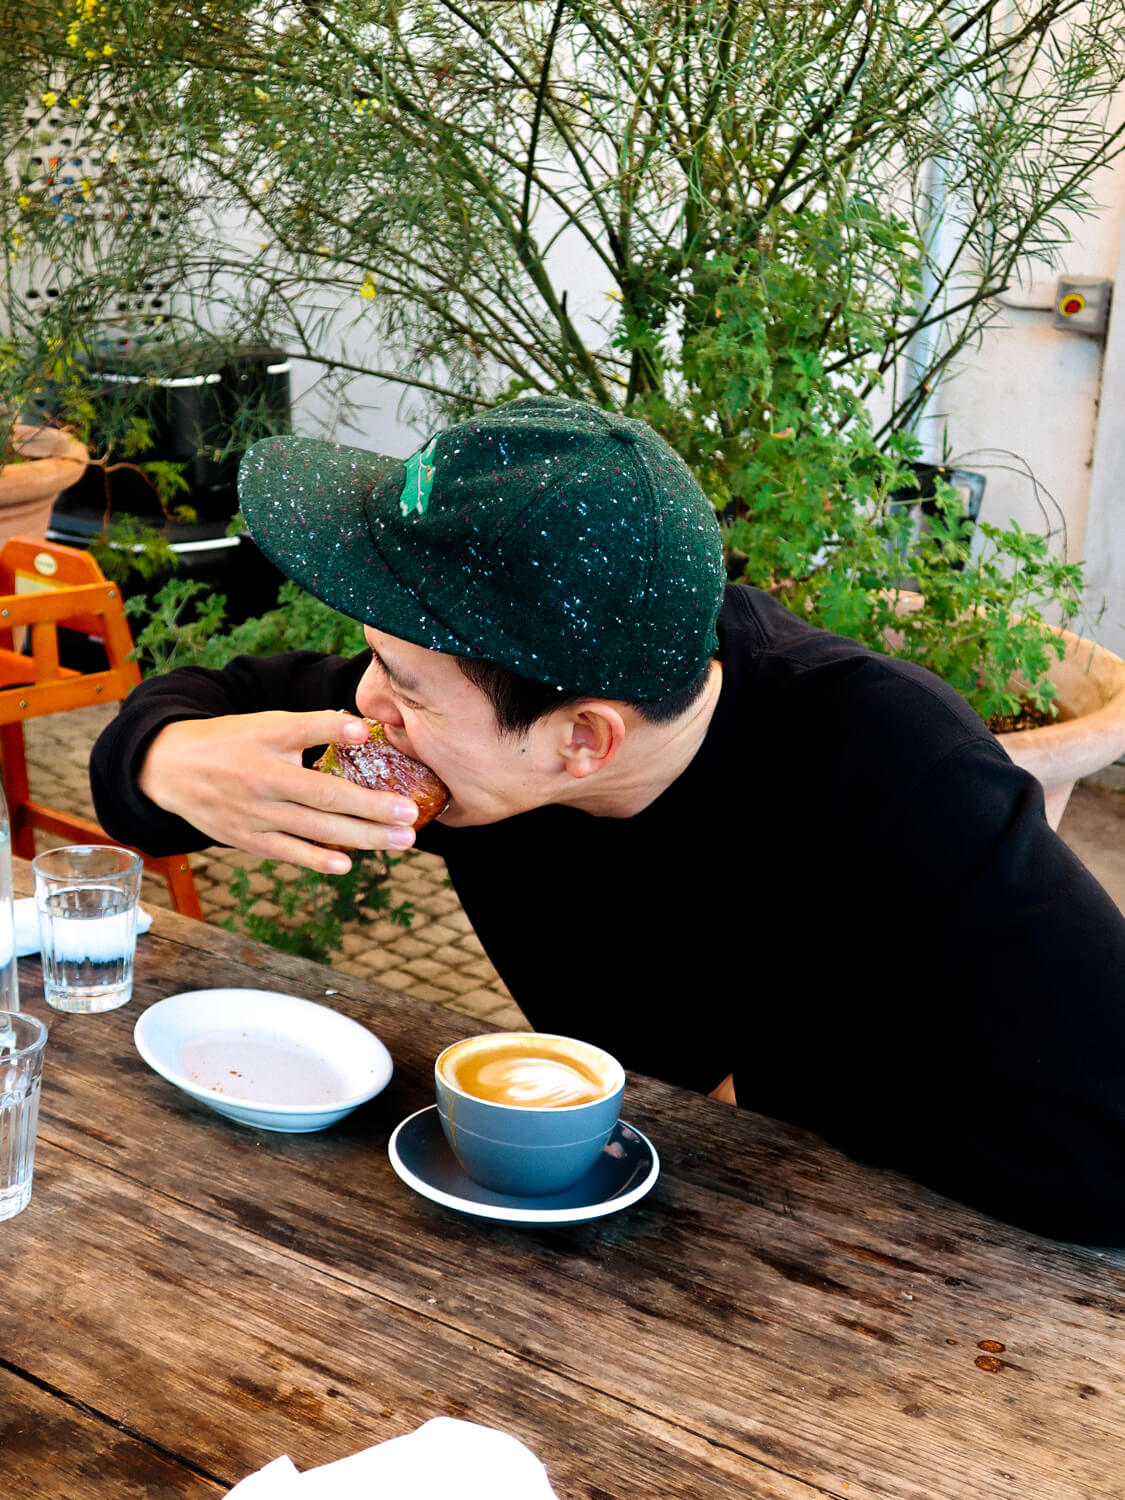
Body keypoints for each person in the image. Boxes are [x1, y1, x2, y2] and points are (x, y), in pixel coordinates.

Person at [91, 395, 1125, 1244]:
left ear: (584, 740)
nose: (367, 704)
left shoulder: (899, 772)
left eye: (404, 682)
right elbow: (209, 703)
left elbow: (1100, 1148)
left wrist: (765, 1087)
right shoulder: (485, 724)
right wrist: (164, 762)